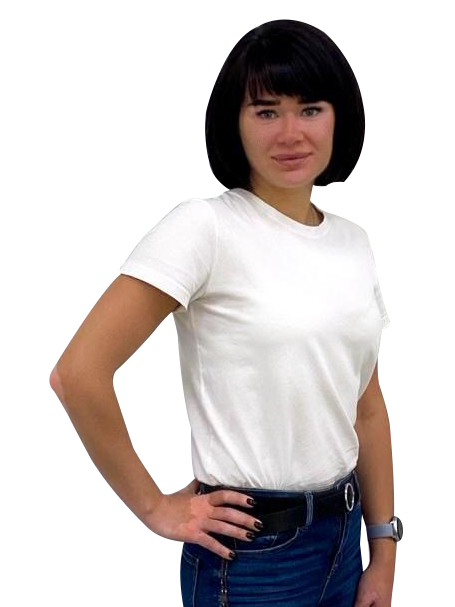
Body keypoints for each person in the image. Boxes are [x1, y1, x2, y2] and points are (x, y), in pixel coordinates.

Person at [50, 19, 402, 607]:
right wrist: (156, 507)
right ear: (233, 124)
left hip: (344, 539)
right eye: (266, 111)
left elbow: (366, 407)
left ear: (339, 118)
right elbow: (78, 374)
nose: (290, 132)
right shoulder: (205, 229)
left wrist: (383, 546)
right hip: (252, 557)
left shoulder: (353, 245)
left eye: (310, 109)